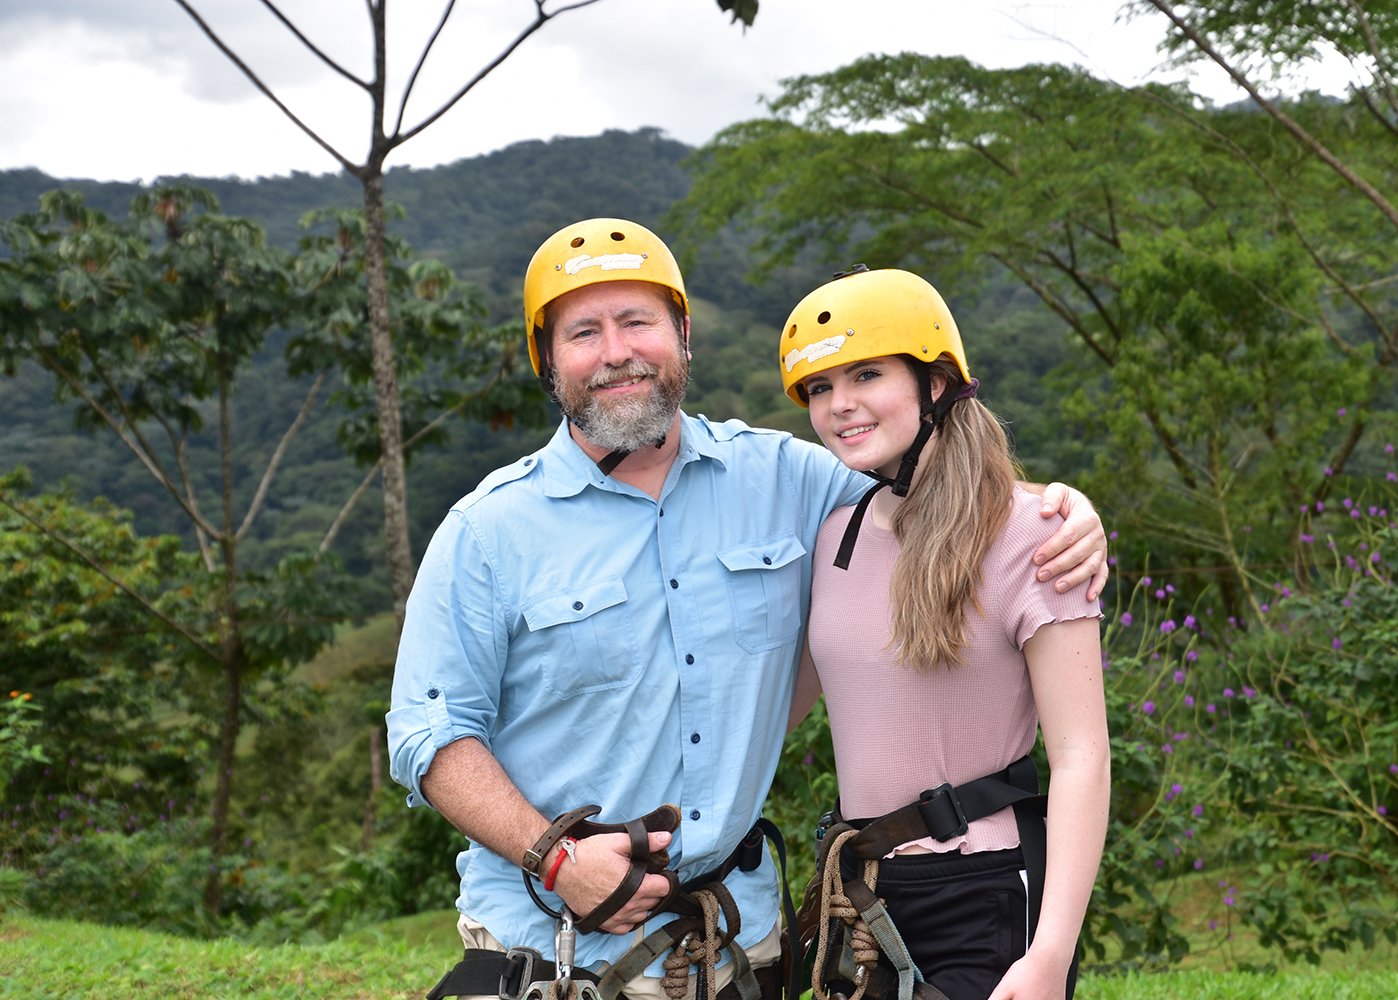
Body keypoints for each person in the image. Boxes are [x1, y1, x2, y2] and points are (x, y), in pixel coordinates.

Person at [385, 219, 1109, 1000]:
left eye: (637, 322)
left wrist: (1062, 511)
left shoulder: (789, 482)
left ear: (683, 334)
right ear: (548, 360)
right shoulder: (488, 530)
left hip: (736, 949)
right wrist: (556, 859)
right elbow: (427, 734)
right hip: (553, 945)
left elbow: (932, 487)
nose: (615, 351)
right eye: (583, 332)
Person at [779, 267, 1110, 1000]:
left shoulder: (1036, 533)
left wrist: (1050, 952)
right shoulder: (838, 532)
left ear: (934, 383)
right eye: (821, 388)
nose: (840, 405)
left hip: (984, 894)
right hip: (863, 892)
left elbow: (1082, 755)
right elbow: (775, 712)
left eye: (866, 374)